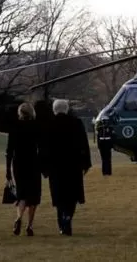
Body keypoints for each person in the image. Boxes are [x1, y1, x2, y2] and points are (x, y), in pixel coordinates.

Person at [43, 99, 92, 236]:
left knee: (59, 196)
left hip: (55, 167)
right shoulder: (76, 123)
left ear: (54, 109)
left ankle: (61, 223)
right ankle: (68, 217)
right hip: (73, 166)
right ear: (66, 109)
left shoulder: (48, 124)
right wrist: (86, 163)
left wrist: (44, 167)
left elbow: (44, 148)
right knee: (72, 195)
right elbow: (84, 144)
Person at [5, 102, 43, 236]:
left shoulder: (14, 127)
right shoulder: (36, 126)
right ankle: (30, 226)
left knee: (22, 194)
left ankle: (19, 218)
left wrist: (8, 171)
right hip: (33, 163)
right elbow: (41, 148)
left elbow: (9, 151)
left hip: (18, 163)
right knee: (34, 196)